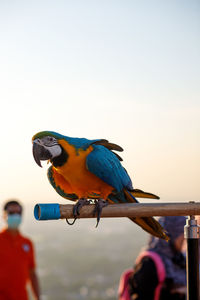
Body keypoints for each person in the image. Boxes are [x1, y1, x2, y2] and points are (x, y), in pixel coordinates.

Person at [119, 216, 186, 300]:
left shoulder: (179, 258)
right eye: (182, 235)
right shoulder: (149, 263)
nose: (185, 239)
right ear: (171, 233)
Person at [0, 200, 40, 300]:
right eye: (11, 213)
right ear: (4, 215)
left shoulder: (27, 243)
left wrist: (38, 297)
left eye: (18, 213)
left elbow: (32, 274)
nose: (15, 216)